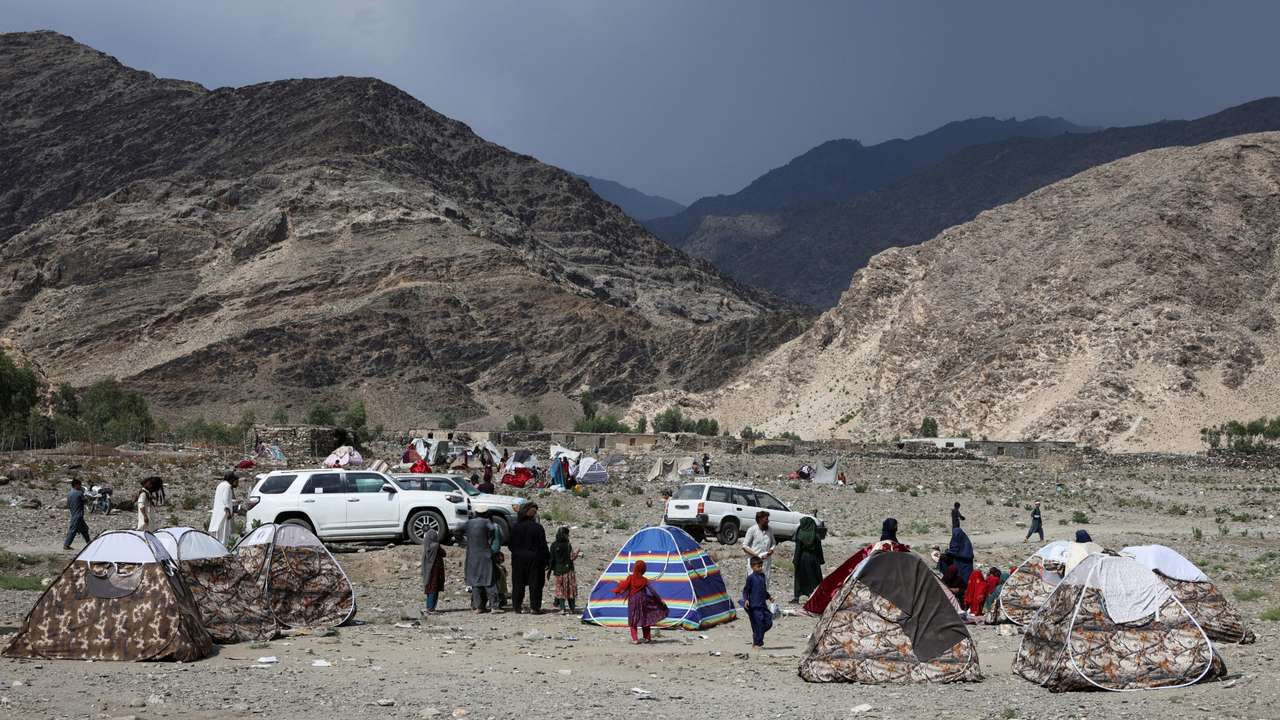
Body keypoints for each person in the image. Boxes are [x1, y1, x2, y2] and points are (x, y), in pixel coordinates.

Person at [611, 559, 668, 644]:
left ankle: (635, 639)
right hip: (643, 601)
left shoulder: (630, 578)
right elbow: (652, 591)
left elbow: (624, 585)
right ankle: (647, 638)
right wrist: (660, 601)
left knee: (633, 620)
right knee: (645, 619)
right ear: (644, 569)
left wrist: (618, 584)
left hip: (633, 601)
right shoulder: (644, 580)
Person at [509, 502, 549, 613]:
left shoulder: (515, 527)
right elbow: (543, 545)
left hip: (518, 559)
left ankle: (517, 606)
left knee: (518, 583)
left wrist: (517, 552)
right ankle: (535, 607)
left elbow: (510, 544)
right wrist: (547, 560)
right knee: (535, 583)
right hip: (535, 559)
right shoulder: (538, 528)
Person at [464, 514, 499, 613]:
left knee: (476, 582)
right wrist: (490, 543)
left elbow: (456, 530)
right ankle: (494, 606)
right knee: (489, 581)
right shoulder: (488, 524)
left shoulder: (469, 524)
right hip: (486, 556)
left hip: (473, 557)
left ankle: (478, 606)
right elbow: (493, 534)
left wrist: (463, 542)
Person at [742, 556, 773, 649]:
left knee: (768, 622)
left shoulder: (762, 576)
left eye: (761, 566)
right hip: (754, 606)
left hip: (763, 605)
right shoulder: (750, 578)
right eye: (758, 566)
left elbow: (763, 589)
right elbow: (746, 590)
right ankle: (757, 643)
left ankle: (757, 635)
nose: (760, 568)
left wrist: (769, 597)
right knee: (758, 624)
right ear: (752, 567)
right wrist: (746, 600)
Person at [792, 516, 824, 603]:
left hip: (802, 559)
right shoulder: (816, 535)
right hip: (814, 559)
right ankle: (816, 596)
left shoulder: (800, 535)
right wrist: (821, 560)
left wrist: (795, 560)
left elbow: (798, 549)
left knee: (800, 578)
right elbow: (819, 549)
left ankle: (797, 597)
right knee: (814, 578)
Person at [548, 526, 580, 614]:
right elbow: (571, 557)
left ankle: (562, 609)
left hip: (559, 571)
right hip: (569, 570)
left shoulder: (553, 545)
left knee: (560, 589)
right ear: (565, 535)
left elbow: (551, 559)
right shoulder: (568, 545)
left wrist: (550, 568)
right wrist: (577, 553)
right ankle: (572, 609)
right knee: (570, 590)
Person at [742, 511, 776, 582]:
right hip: (754, 562)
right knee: (754, 583)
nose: (768, 521)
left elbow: (773, 543)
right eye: (766, 519)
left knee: (765, 582)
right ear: (760, 519)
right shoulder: (752, 530)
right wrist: (757, 555)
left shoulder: (770, 530)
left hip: (766, 562)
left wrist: (771, 550)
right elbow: (745, 546)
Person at [208, 472, 238, 545]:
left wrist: (233, 502)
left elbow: (222, 499)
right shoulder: (228, 486)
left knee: (218, 534)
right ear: (231, 479)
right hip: (224, 514)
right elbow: (225, 499)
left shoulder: (220, 485)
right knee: (224, 535)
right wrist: (228, 512)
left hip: (218, 513)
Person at [422, 526, 446, 613]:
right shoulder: (436, 546)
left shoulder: (426, 546)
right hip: (435, 571)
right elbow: (444, 554)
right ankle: (431, 608)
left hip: (428, 571)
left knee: (429, 589)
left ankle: (429, 607)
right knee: (434, 589)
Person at [945, 526, 974, 594]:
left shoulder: (966, 544)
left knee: (965, 582)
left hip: (966, 566)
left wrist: (951, 553)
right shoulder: (956, 541)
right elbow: (953, 550)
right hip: (958, 564)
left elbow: (967, 555)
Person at [63, 479, 90, 550]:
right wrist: (85, 495)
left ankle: (89, 543)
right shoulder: (79, 493)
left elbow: (68, 504)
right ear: (76, 485)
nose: (80, 486)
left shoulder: (69, 494)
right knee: (73, 530)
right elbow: (86, 501)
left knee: (85, 529)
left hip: (74, 514)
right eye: (79, 485)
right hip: (78, 515)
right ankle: (66, 545)